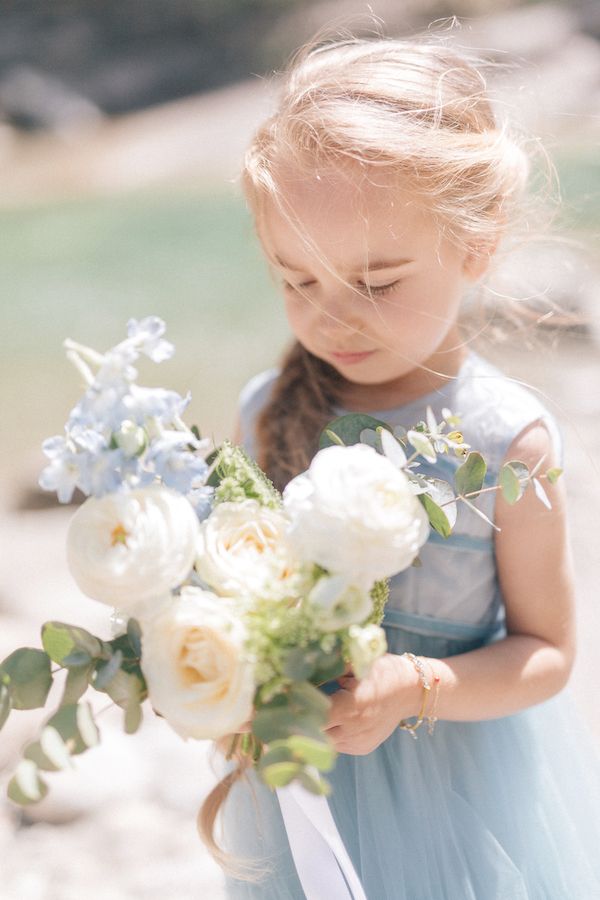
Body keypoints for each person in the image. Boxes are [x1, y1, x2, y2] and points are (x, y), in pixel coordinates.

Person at [210, 33, 600, 899]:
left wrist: (413, 686)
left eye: (376, 281)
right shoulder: (264, 412)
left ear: (477, 241)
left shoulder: (508, 444)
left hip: (460, 794)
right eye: (296, 280)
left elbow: (549, 654)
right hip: (303, 784)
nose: (332, 318)